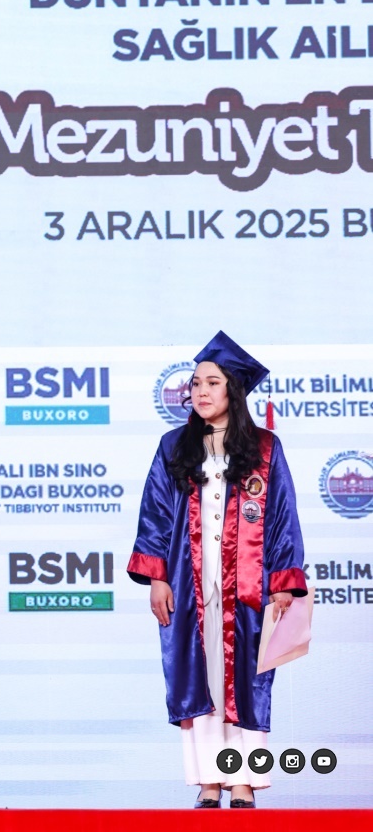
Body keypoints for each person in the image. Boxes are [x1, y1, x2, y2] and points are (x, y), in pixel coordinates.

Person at [128, 332, 307, 809]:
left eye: (212, 382)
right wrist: (157, 577)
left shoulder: (264, 448)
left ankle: (243, 781)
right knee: (200, 680)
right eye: (195, 383)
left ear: (234, 390)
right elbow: (155, 514)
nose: (200, 391)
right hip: (190, 584)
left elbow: (281, 516)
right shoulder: (173, 446)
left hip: (247, 585)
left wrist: (282, 581)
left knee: (246, 679)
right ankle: (209, 781)